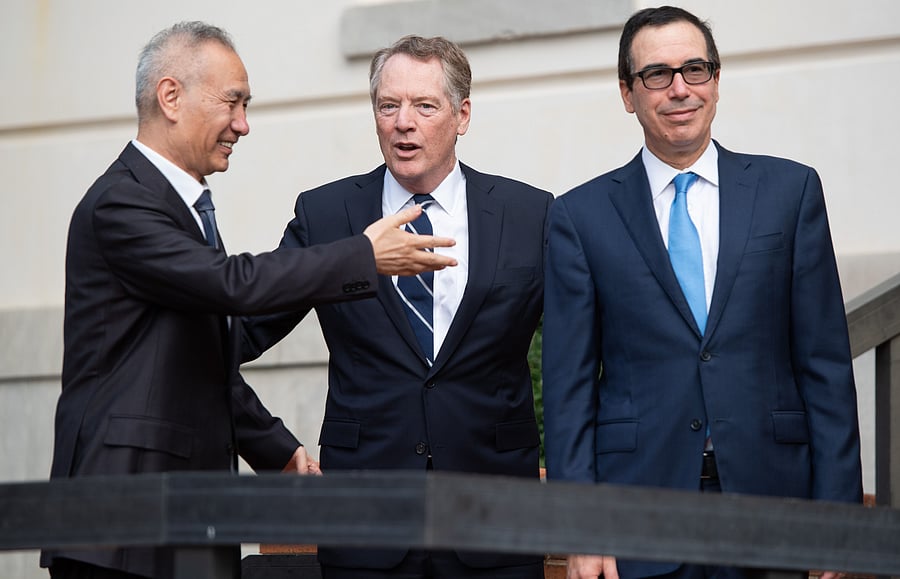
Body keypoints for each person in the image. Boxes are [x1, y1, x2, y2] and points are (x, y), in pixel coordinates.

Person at [41, 21, 456, 579]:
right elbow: (233, 286)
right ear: (171, 97)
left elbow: (202, 352)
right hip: (123, 522)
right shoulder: (122, 204)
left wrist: (275, 450)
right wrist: (363, 255)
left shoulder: (178, 205)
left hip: (184, 516)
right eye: (233, 103)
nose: (243, 125)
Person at [542, 6, 862, 579]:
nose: (680, 89)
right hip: (640, 515)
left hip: (774, 507)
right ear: (627, 93)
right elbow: (568, 391)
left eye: (696, 69)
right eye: (657, 74)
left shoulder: (789, 193)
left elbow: (825, 367)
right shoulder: (580, 216)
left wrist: (836, 519)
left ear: (716, 80)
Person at [242, 35, 552, 579]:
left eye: (424, 105)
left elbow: (585, 354)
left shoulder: (530, 214)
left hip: (496, 518)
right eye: (388, 105)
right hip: (365, 523)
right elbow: (233, 334)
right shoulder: (328, 215)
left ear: (463, 115)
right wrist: (267, 442)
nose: (402, 122)